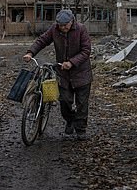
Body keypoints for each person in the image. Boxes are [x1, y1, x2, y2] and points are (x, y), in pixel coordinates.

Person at [23, 9, 93, 139]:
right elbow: (42, 40)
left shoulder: (81, 29)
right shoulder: (55, 29)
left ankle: (81, 130)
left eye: (65, 25)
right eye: (60, 25)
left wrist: (72, 62)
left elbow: (86, 50)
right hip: (63, 73)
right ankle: (70, 121)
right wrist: (30, 52)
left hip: (81, 73)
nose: (63, 28)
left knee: (82, 103)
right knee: (64, 101)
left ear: (72, 21)